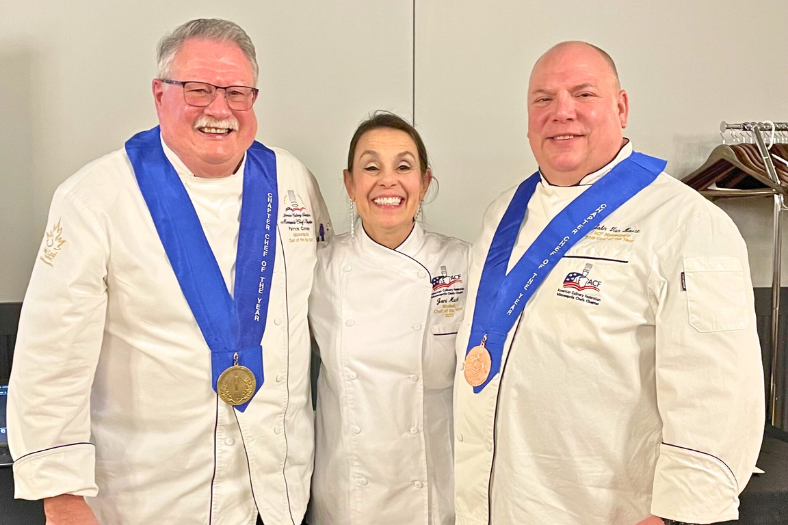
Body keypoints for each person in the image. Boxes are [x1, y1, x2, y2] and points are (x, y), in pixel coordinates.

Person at [8, 19, 330, 525]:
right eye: (199, 90)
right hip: (149, 499)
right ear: (160, 95)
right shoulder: (94, 198)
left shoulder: (292, 182)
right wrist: (63, 497)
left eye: (236, 92)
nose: (218, 109)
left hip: (276, 493)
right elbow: (50, 360)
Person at [454, 41, 765, 525]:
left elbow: (719, 395)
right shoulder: (503, 213)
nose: (562, 113)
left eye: (583, 94)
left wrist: (681, 516)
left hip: (610, 510)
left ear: (621, 106)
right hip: (502, 503)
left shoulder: (687, 223)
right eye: (543, 99)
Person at [308, 112, 469, 525]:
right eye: (371, 167)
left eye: (403, 166)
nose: (387, 181)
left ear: (424, 182)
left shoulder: (464, 264)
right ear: (350, 184)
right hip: (346, 496)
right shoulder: (317, 270)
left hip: (436, 495)